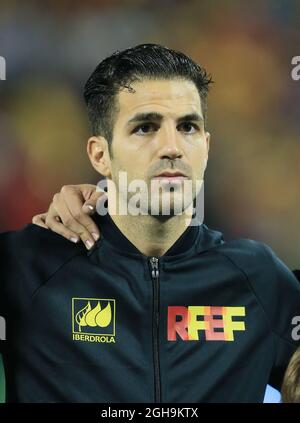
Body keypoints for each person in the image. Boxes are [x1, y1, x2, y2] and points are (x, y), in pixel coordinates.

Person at [0, 43, 299, 403]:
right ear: (100, 155)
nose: (172, 146)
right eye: (145, 128)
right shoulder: (27, 266)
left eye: (187, 127)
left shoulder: (259, 278)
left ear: (206, 146)